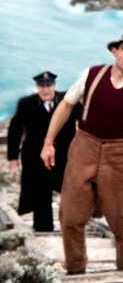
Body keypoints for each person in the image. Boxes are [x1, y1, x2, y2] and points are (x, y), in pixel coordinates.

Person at [41, 31, 123, 275]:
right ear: (114, 51)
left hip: (120, 155)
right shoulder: (91, 75)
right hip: (83, 148)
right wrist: (48, 142)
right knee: (70, 215)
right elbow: (66, 105)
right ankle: (75, 269)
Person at [6, 71, 79, 232]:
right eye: (42, 86)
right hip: (35, 157)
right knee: (40, 193)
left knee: (70, 190)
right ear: (37, 87)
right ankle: (43, 229)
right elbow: (15, 130)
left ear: (54, 85)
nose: (45, 89)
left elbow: (86, 119)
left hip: (64, 156)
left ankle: (72, 227)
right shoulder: (26, 104)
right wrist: (13, 158)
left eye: (49, 85)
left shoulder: (67, 101)